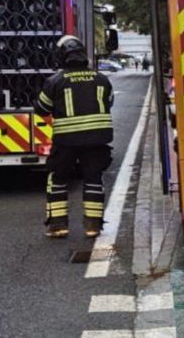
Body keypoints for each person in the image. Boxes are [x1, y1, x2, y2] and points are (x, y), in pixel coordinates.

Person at [36, 35, 115, 238]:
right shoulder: (101, 79)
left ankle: (58, 225)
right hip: (97, 139)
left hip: (66, 142)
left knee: (58, 179)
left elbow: (41, 109)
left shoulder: (55, 81)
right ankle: (93, 226)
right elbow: (109, 102)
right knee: (93, 179)